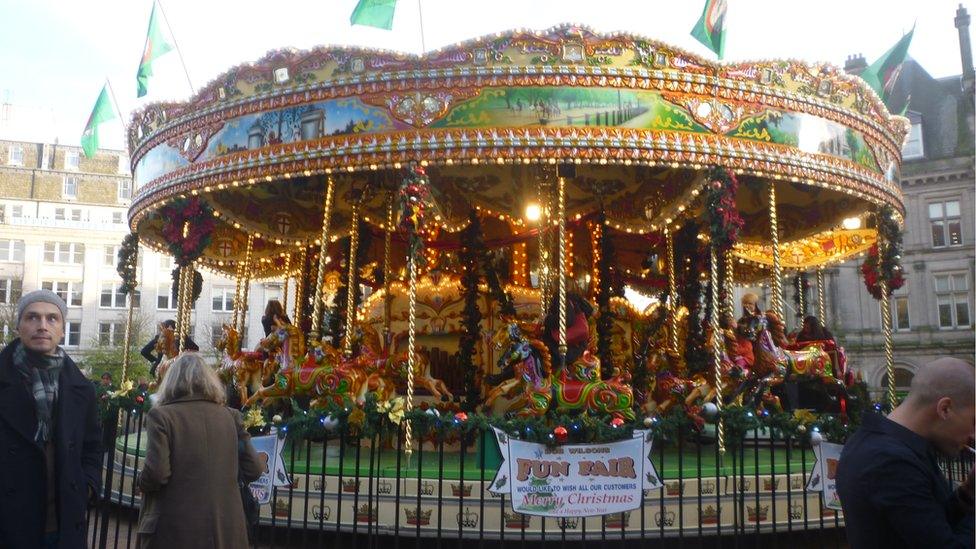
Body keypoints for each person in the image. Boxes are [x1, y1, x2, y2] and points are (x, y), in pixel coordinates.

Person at [836, 358, 975, 548]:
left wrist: (967, 493)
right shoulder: (890, 461)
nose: (973, 435)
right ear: (945, 409)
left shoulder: (885, 445)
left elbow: (932, 524)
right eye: (974, 421)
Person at [0, 289, 102, 548]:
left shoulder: (82, 388)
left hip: (61, 522)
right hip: (9, 523)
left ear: (62, 330)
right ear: (18, 326)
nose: (42, 326)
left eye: (52, 318)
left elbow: (92, 447)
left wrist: (86, 487)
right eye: (32, 317)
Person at [136, 352, 263, 549]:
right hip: (226, 529)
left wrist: (140, 480)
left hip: (176, 527)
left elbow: (157, 473)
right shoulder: (231, 416)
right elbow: (254, 468)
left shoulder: (161, 416)